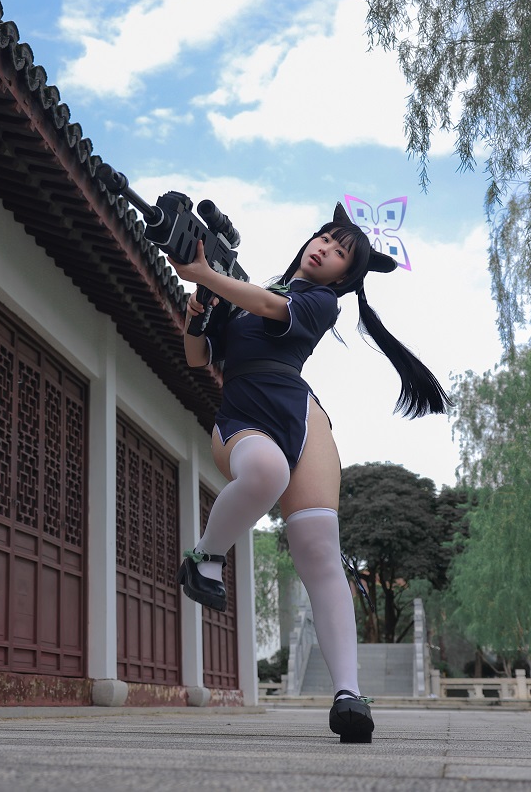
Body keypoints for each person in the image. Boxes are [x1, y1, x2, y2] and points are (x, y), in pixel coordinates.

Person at [171, 202, 448, 744]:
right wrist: (198, 311)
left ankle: (348, 695)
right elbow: (197, 357)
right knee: (265, 470)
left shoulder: (319, 302)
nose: (324, 248)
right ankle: (205, 558)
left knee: (320, 548)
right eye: (324, 237)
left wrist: (207, 275)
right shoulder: (242, 296)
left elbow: (269, 306)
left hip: (302, 416)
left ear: (344, 277)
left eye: (339, 251)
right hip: (243, 417)